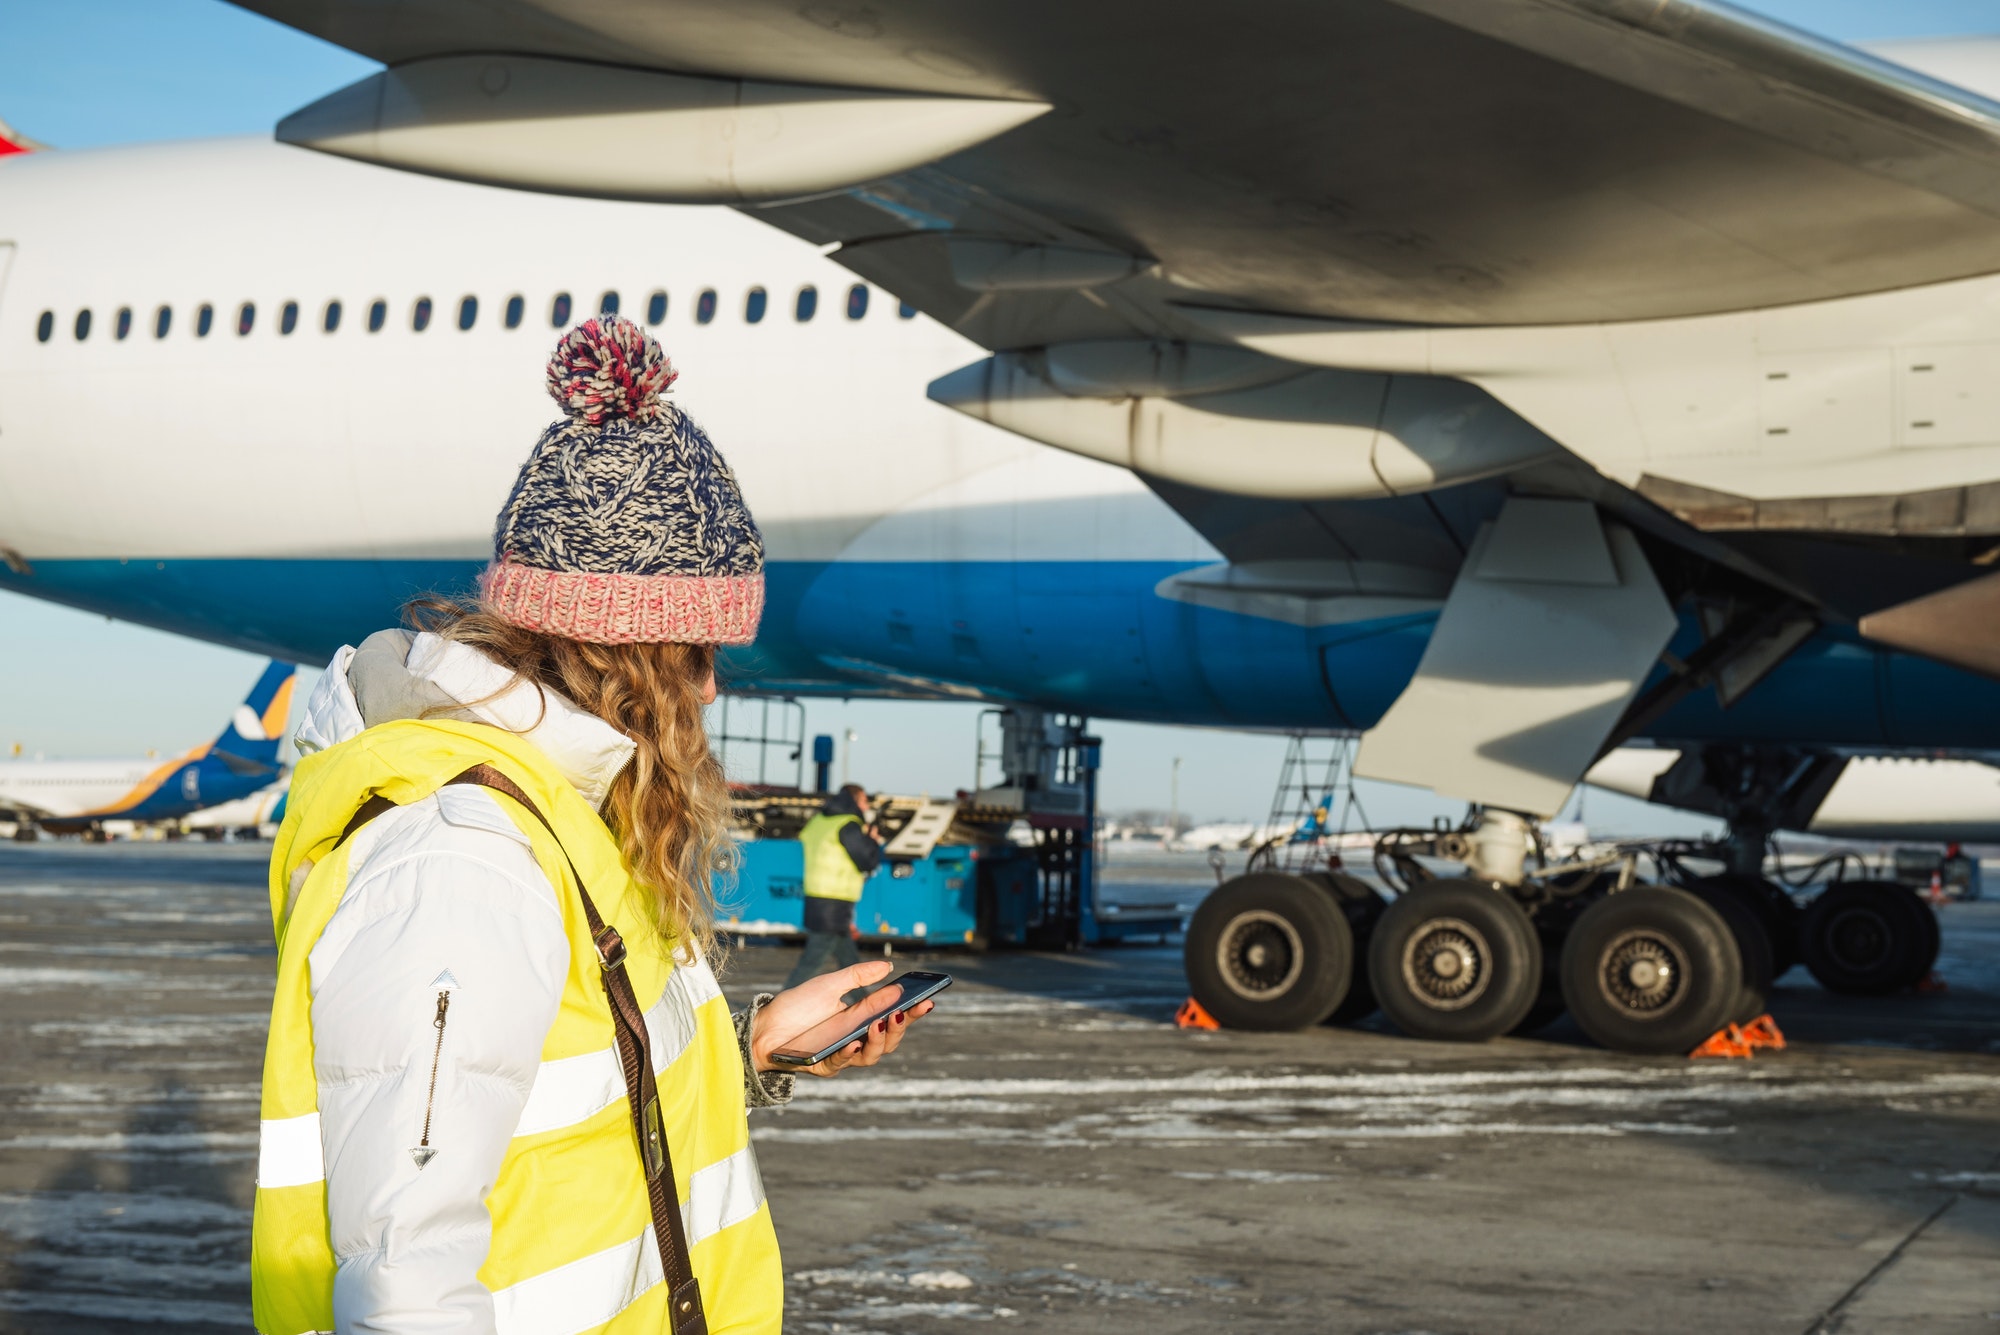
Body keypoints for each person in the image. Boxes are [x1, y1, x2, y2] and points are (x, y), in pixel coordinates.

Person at [250, 315, 934, 1335]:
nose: (708, 689)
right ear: (626, 650)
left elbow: (558, 1130)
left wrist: (752, 1057)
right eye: (696, 652)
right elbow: (402, 1282)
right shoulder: (460, 863)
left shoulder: (554, 829)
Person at [785, 783, 885, 990]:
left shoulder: (819, 820)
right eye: (865, 801)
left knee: (847, 957)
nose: (866, 807)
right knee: (812, 961)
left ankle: (864, 1003)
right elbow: (866, 860)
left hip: (818, 895)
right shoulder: (848, 824)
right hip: (834, 900)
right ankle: (776, 1007)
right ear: (854, 801)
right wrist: (873, 841)